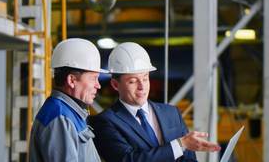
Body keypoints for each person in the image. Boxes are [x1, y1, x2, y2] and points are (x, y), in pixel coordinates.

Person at [89, 42, 221, 162]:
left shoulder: (171, 113)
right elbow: (128, 160)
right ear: (115, 85)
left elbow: (189, 160)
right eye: (133, 81)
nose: (142, 86)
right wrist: (180, 145)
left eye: (145, 78)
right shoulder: (105, 122)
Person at [29, 38, 106, 162]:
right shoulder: (59, 118)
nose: (98, 85)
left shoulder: (70, 113)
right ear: (71, 80)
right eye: (93, 78)